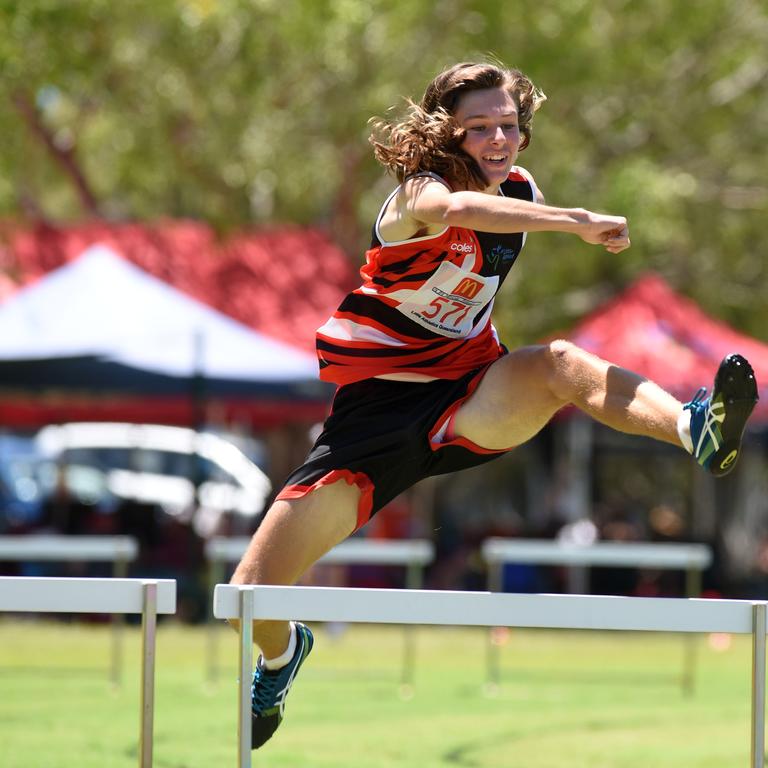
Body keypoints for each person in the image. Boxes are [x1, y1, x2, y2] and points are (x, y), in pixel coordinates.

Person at [230, 60, 759, 749]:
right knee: (247, 598)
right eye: (478, 127)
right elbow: (453, 212)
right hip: (373, 425)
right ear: (445, 132)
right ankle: (281, 656)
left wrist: (545, 217)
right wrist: (572, 221)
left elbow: (494, 226)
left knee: (560, 364)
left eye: (508, 124)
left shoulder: (520, 192)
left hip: (470, 395)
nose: (497, 138)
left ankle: (695, 430)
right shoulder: (415, 194)